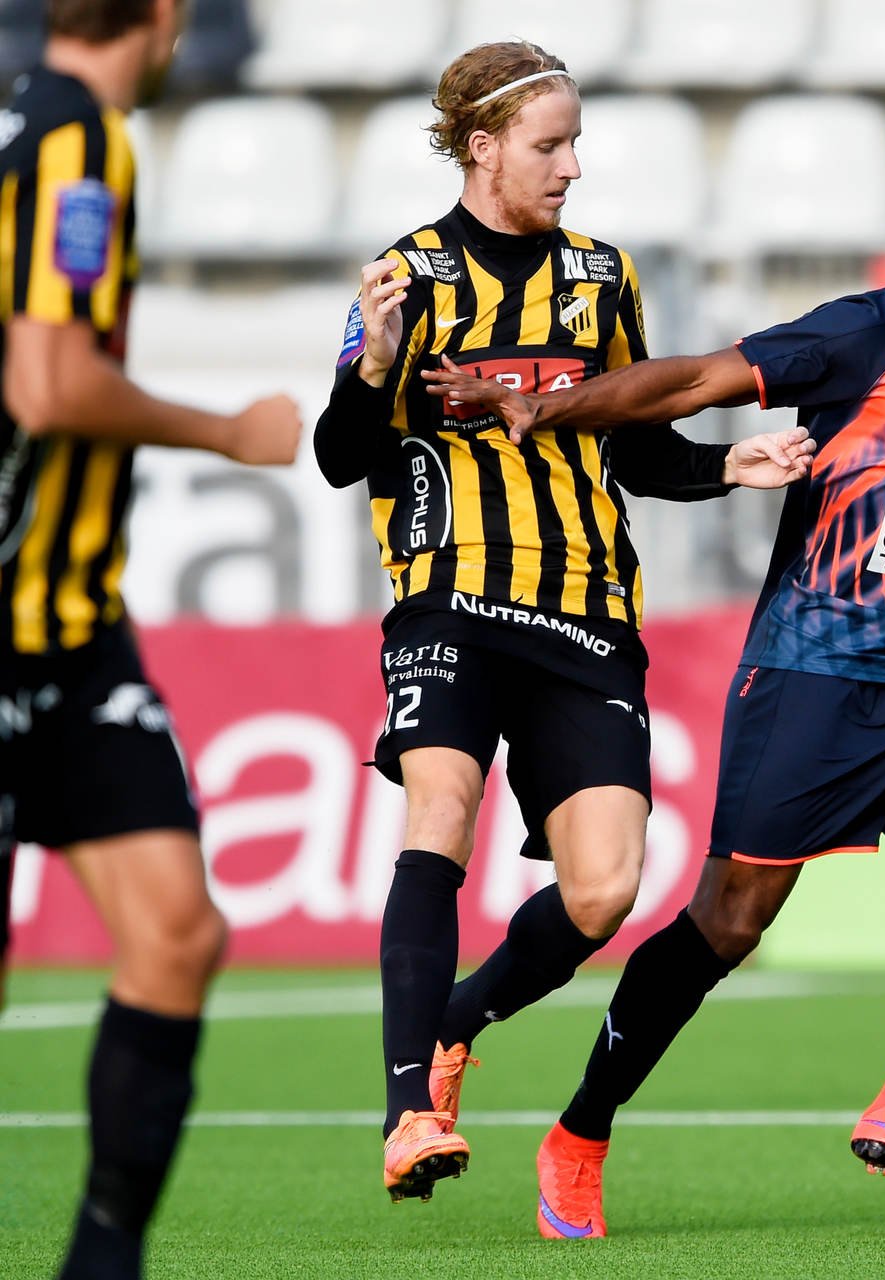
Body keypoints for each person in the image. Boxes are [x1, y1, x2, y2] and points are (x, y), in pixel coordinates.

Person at [424, 170, 885, 1239]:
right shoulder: (866, 334)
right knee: (726, 926)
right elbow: (692, 380)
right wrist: (546, 406)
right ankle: (579, 1131)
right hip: (811, 678)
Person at [311, 41, 813, 1204]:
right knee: (440, 807)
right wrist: (372, 368)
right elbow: (344, 457)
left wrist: (722, 469)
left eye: (576, 142)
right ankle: (404, 1116)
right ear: (482, 147)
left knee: (605, 888)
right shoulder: (407, 277)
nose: (573, 166)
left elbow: (634, 444)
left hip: (585, 611)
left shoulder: (601, 276)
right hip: (449, 595)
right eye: (552, 144)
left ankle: (456, 1022)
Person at [0, 1, 303, 1274]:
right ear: (168, 15)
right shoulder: (77, 142)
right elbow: (52, 384)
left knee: (177, 929)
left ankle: (98, 1264)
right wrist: (229, 432)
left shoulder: (35, 123)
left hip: (70, 629)